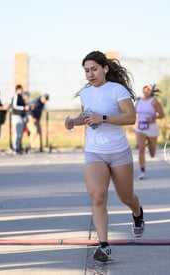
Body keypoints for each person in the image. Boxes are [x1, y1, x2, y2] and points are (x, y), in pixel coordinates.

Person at [64, 51, 145, 262]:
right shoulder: (86, 93)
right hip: (94, 151)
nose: (90, 74)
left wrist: (105, 118)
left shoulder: (116, 90)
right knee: (98, 196)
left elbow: (130, 117)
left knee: (126, 196)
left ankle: (137, 213)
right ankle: (104, 245)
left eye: (94, 69)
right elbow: (86, 115)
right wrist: (74, 121)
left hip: (118, 152)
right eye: (86, 70)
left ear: (105, 68)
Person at [135, 84, 164, 180]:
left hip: (151, 127)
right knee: (141, 149)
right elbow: (134, 113)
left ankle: (151, 146)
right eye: (145, 88)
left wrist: (153, 118)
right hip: (140, 128)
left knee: (152, 153)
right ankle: (142, 171)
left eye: (148, 89)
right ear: (142, 90)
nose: (146, 91)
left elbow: (162, 114)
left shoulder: (154, 102)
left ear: (151, 92)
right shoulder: (139, 101)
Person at [11, 84, 29, 154]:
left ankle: (18, 147)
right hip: (16, 116)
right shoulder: (16, 96)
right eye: (20, 89)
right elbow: (14, 106)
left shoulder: (21, 97)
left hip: (21, 117)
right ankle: (15, 147)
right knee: (16, 133)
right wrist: (23, 108)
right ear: (17, 90)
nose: (21, 91)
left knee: (19, 134)